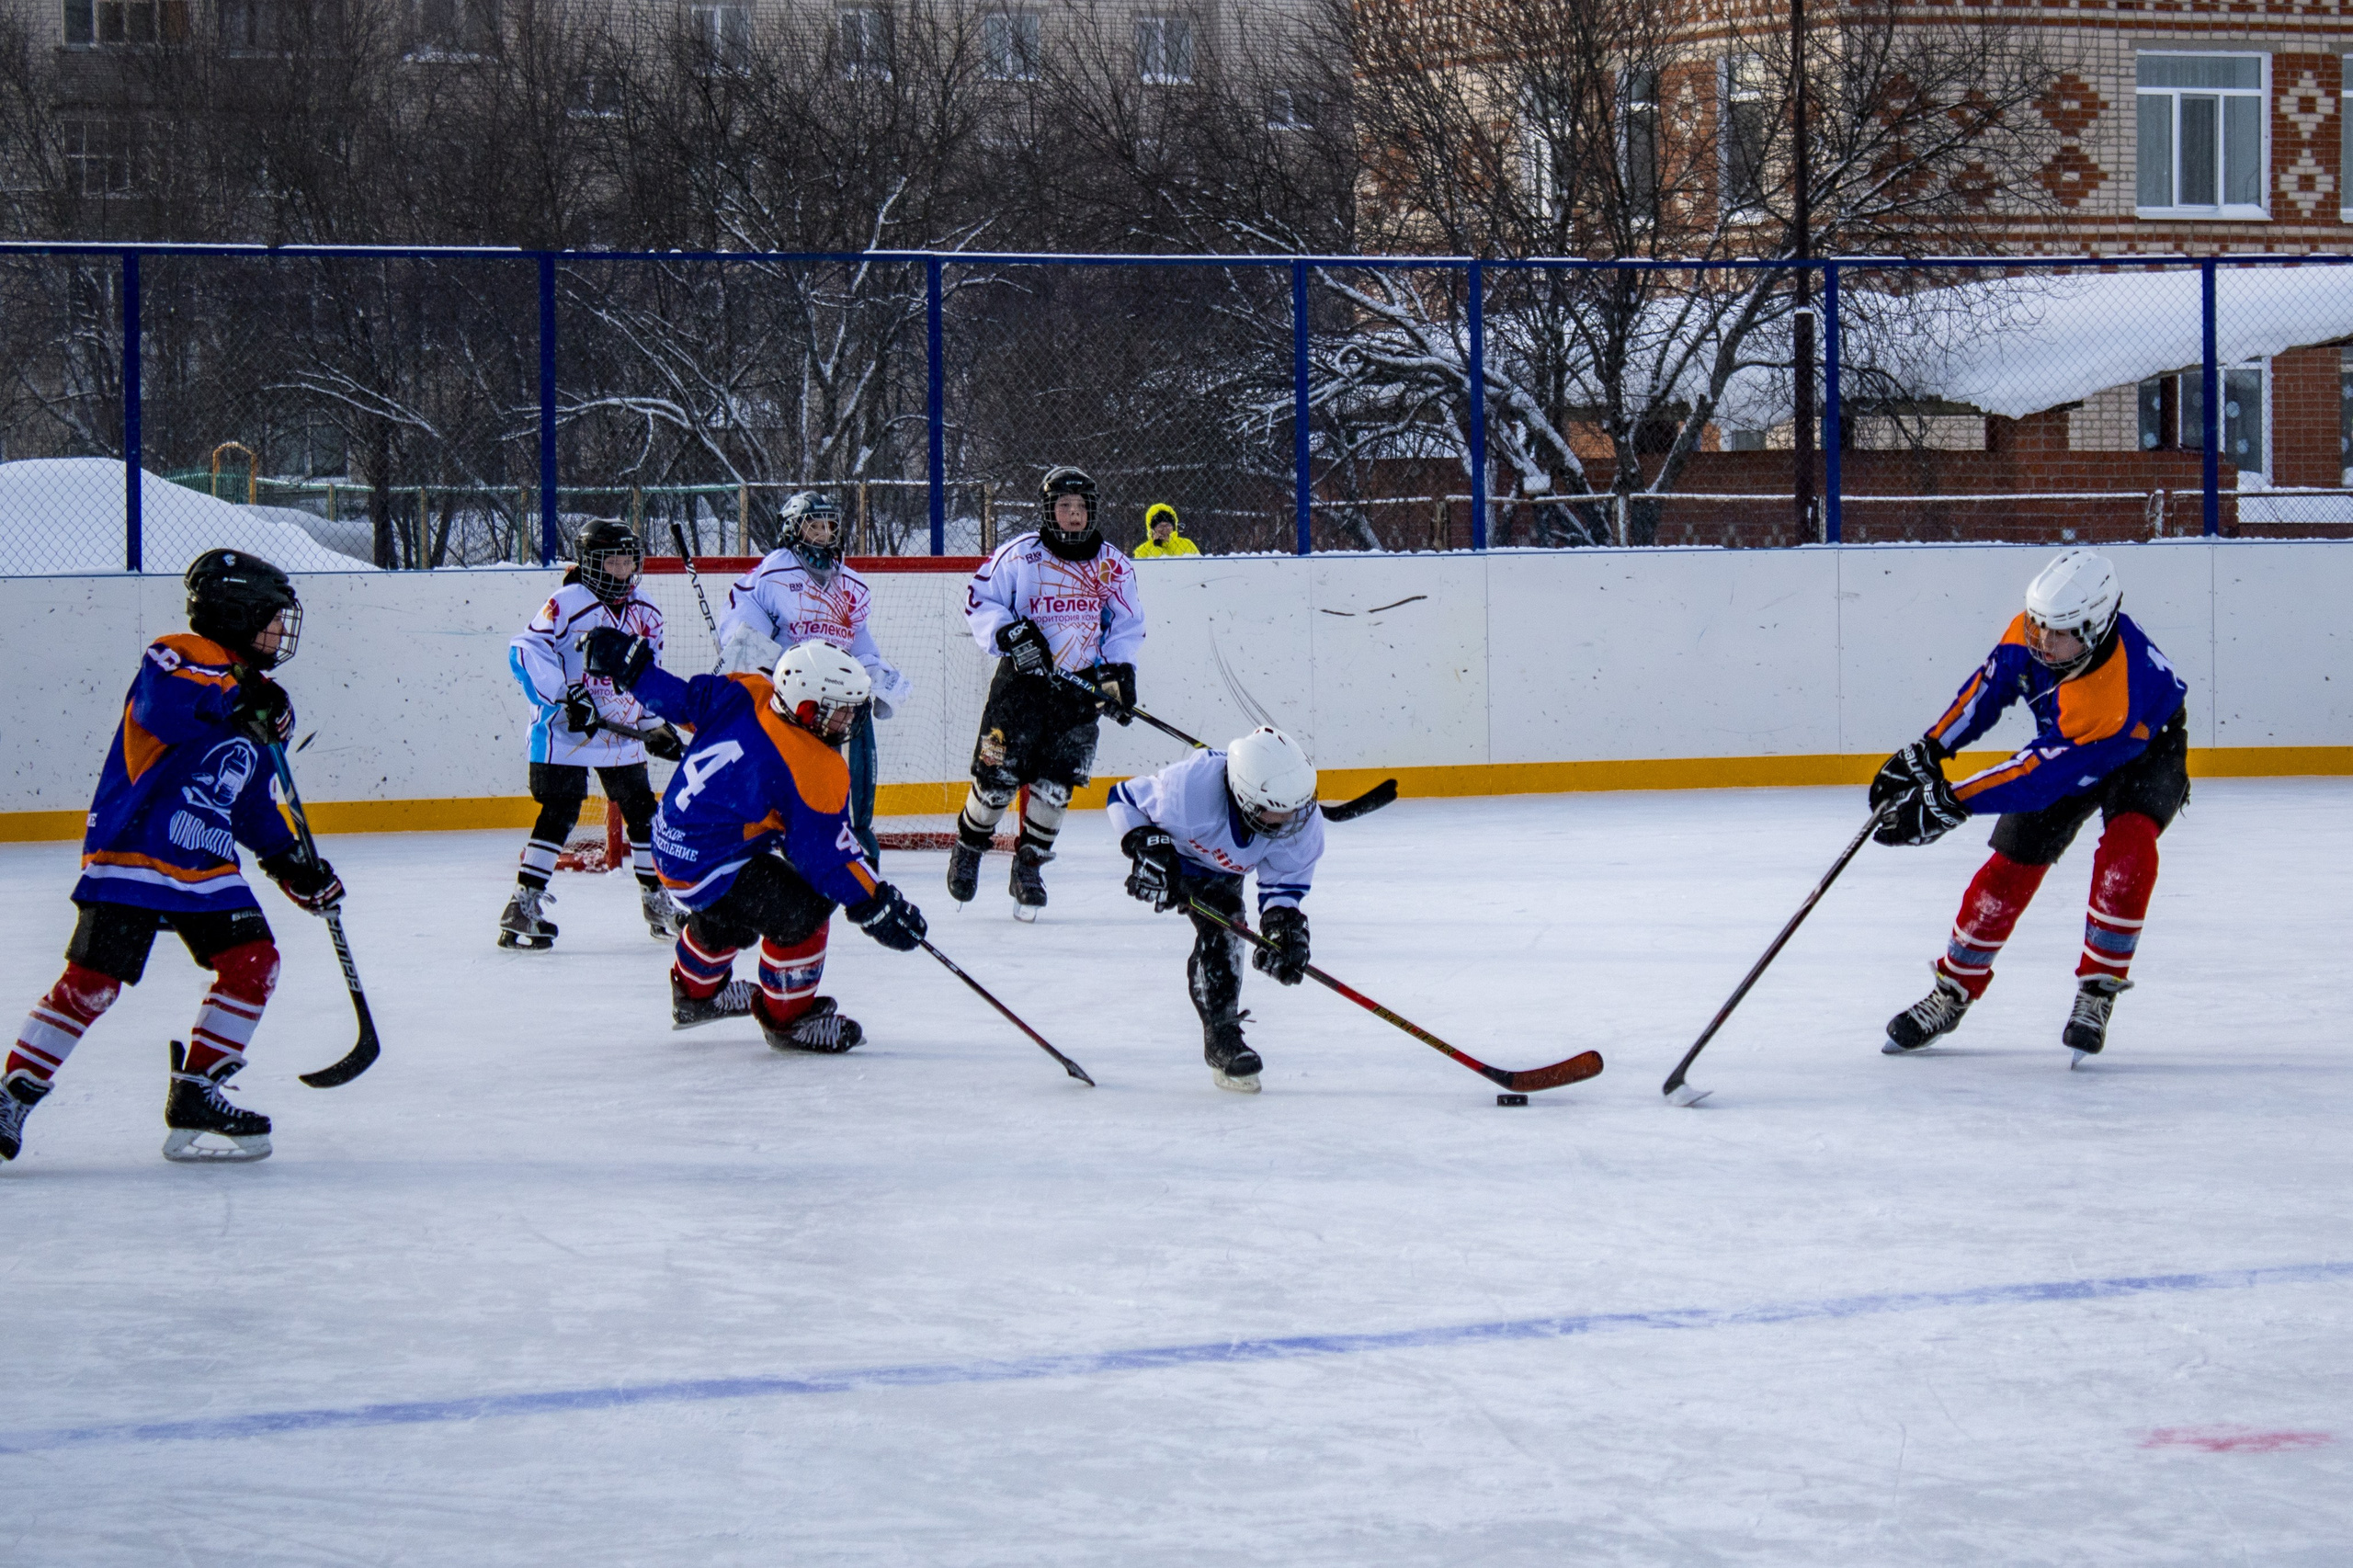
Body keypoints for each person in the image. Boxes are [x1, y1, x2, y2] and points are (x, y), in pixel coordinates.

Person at [3, 551, 344, 1164]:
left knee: (254, 963)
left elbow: (249, 801)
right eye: (270, 617)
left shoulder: (268, 700)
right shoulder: (180, 654)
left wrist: (291, 861)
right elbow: (168, 711)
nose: (279, 631)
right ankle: (14, 1092)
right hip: (138, 846)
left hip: (208, 862)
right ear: (235, 612)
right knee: (93, 983)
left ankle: (198, 1091)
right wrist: (239, 699)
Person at [1872, 549, 2189, 1066]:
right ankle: (1954, 989)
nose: (2040, 641)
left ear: (2094, 629)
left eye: (2058, 633)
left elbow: (2038, 777)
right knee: (2008, 868)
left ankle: (2098, 987)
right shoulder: (2036, 631)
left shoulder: (2109, 696)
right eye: (2037, 626)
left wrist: (1949, 802)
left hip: (2144, 751)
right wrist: (1930, 750)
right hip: (2067, 747)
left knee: (2128, 852)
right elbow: (1989, 688)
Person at [578, 630, 929, 1052]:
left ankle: (694, 996)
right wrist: (875, 902)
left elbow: (678, 698)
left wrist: (633, 671)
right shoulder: (814, 766)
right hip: (713, 863)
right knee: (805, 910)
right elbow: (823, 859)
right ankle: (788, 1021)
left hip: (670, 849)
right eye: (840, 712)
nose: (849, 723)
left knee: (730, 908)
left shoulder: (747, 690)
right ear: (807, 708)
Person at [952, 465, 1146, 919]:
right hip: (1020, 689)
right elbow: (979, 600)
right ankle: (969, 846)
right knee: (996, 780)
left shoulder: (1112, 565)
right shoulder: (1021, 556)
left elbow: (1127, 623)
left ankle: (1029, 867)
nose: (1074, 515)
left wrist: (1119, 673)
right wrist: (1012, 634)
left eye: (1081, 507)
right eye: (1064, 506)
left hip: (1077, 693)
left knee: (1055, 787)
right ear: (1048, 509)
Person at [499, 519, 682, 950]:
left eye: (627, 559)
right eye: (611, 560)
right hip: (565, 732)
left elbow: (644, 678)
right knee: (560, 813)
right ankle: (522, 905)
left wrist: (650, 723)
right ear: (589, 562)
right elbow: (523, 651)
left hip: (618, 735)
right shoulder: (567, 602)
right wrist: (566, 696)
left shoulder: (647, 612)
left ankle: (656, 903)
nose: (621, 568)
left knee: (643, 813)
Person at [1108, 727, 1324, 1093]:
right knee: (1227, 926)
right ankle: (1223, 1035)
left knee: (1226, 926)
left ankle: (1222, 1039)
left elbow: (1284, 884)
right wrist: (1147, 847)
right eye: (1279, 810)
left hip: (1223, 870)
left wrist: (1282, 927)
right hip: (1178, 858)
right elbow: (1123, 798)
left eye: (1298, 807)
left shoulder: (1300, 822)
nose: (1293, 819)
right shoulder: (1188, 791)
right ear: (1246, 799)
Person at [714, 491, 912, 865]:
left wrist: (876, 676)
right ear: (792, 528)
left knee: (852, 742)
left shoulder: (849, 583)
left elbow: (861, 643)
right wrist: (754, 661)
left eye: (829, 525)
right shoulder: (773, 572)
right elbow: (744, 625)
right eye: (814, 525)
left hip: (836, 694)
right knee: (785, 772)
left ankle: (856, 835)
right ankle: (776, 837)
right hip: (792, 696)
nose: (823, 533)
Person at [1132, 502, 1200, 559]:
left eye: (1168, 525)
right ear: (1152, 529)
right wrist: (1157, 545)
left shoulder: (1187, 544)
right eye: (1160, 526)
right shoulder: (1141, 550)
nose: (1165, 529)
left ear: (1174, 527)